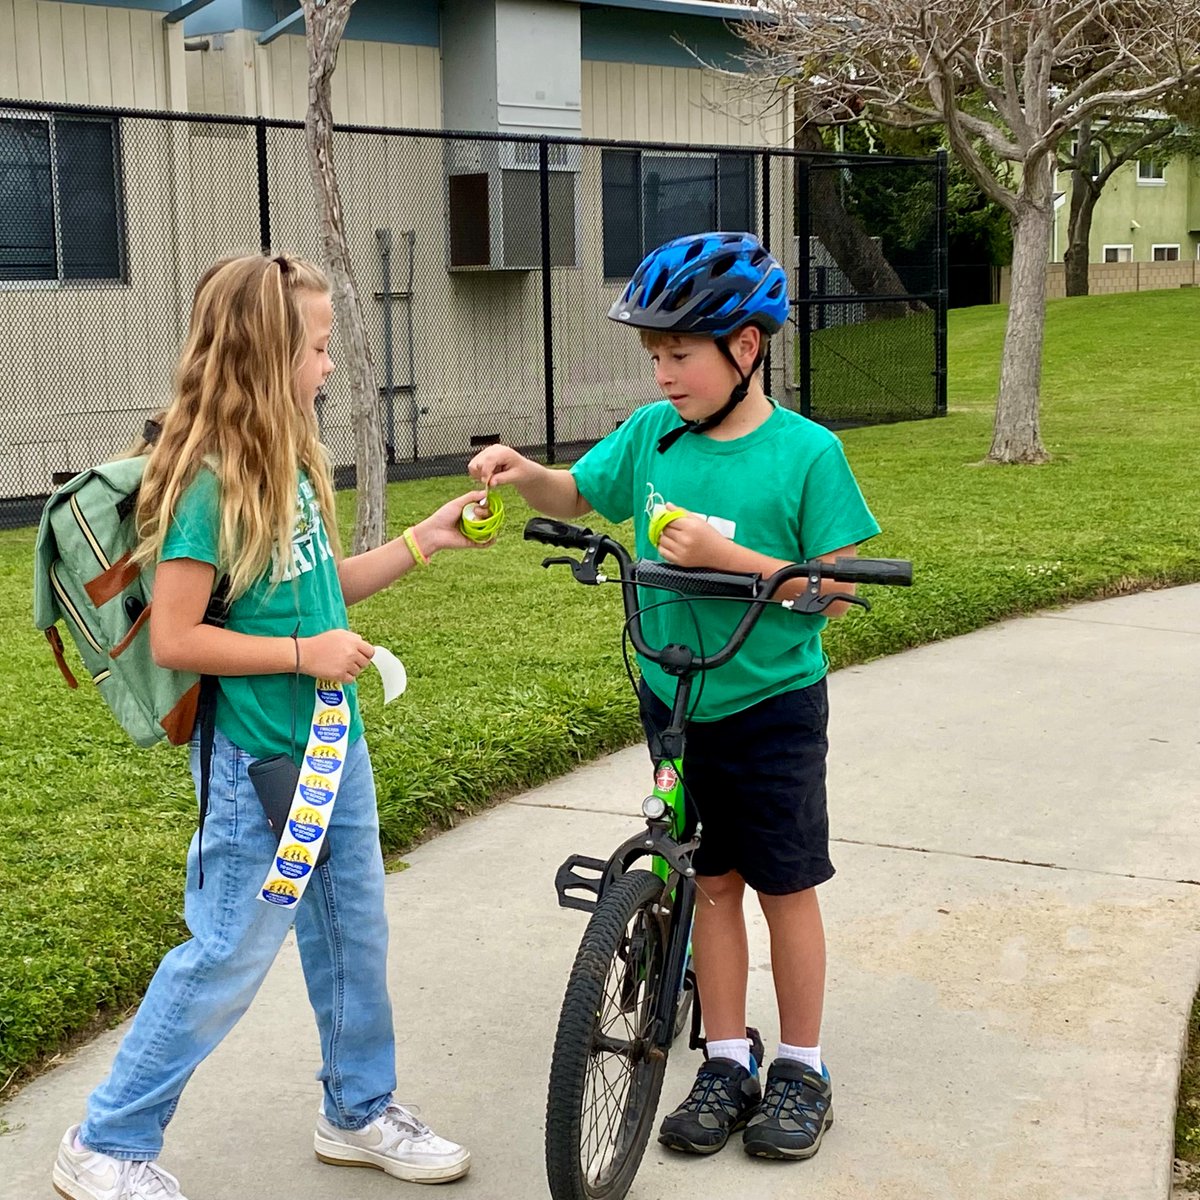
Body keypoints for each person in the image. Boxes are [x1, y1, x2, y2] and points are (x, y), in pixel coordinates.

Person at [53, 252, 489, 1200]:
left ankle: (358, 1110)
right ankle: (105, 1141)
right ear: (265, 353)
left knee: (354, 934)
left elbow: (319, 592)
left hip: (332, 748)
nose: (331, 366)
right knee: (224, 953)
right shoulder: (206, 483)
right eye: (321, 348)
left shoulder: (287, 464)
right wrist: (302, 658)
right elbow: (177, 635)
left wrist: (425, 540)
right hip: (258, 765)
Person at [468, 232, 881, 1162]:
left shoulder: (806, 454)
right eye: (653, 356)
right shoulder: (653, 436)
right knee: (713, 884)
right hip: (675, 698)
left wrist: (729, 559)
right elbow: (579, 492)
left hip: (770, 706)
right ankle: (727, 1058)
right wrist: (520, 469)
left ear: (746, 348)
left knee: (784, 886)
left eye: (679, 355)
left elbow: (840, 589)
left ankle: (803, 1070)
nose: (662, 375)